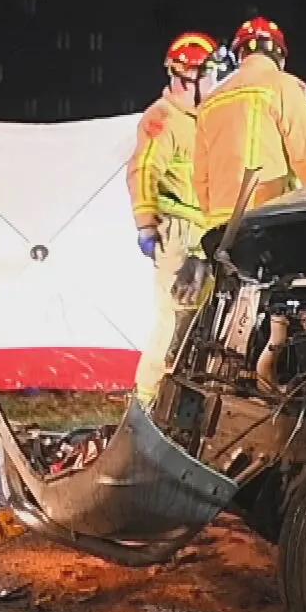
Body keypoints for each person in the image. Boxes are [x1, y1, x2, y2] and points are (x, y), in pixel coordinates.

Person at [126, 32, 218, 408]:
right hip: (178, 236)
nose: (215, 81)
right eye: (210, 73)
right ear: (190, 76)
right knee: (171, 322)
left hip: (204, 235)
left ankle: (177, 406)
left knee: (200, 326)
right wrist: (147, 225)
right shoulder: (163, 118)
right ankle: (146, 406)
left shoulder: (200, 120)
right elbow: (143, 170)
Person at [192, 16, 306, 228]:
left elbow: (200, 176)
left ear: (240, 54)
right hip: (269, 218)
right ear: (279, 56)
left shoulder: (210, 101)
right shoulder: (284, 85)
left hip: (221, 225)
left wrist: (212, 221)